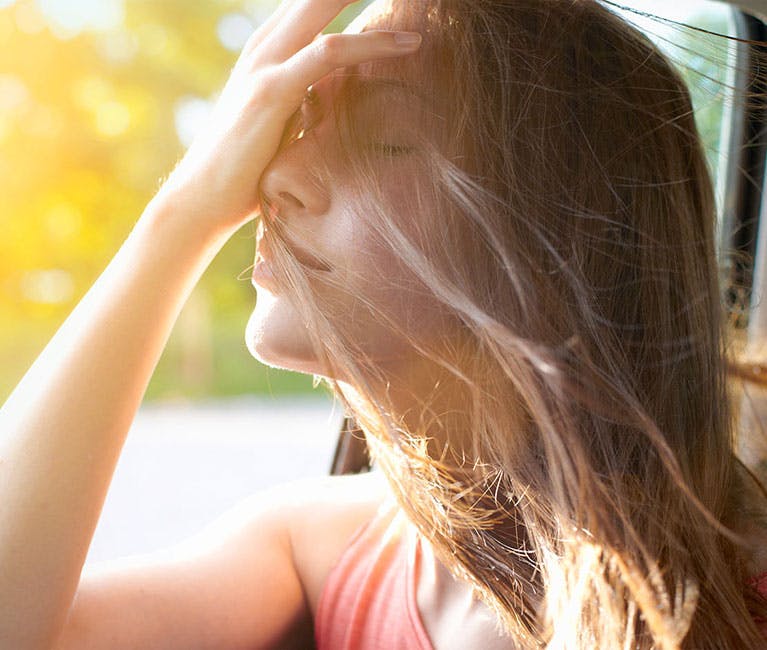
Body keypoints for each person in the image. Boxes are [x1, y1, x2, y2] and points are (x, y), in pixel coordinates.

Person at [2, 0, 767, 648]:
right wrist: (182, 210)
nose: (272, 176)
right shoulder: (319, 549)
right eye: (294, 128)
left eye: (382, 138)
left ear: (560, 234)